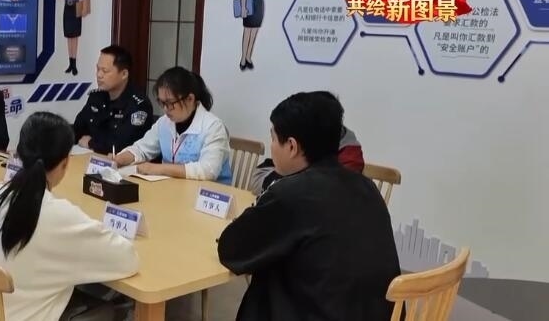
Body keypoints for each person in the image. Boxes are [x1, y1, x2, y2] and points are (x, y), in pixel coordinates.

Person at [217, 91, 400, 320]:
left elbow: (232, 250)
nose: (271, 146)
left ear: (292, 146)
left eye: (273, 138)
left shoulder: (290, 193)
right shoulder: (367, 187)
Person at [0, 112, 139, 321]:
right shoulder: (59, 215)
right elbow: (128, 260)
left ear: (18, 153)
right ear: (65, 163)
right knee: (112, 308)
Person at [114, 67, 233, 183]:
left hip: (207, 192)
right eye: (162, 102)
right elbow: (142, 148)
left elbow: (208, 171)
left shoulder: (213, 127)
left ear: (190, 99)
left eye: (170, 103)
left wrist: (159, 168)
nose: (165, 109)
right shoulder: (164, 123)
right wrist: (122, 157)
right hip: (173, 188)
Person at [248, 90, 364, 196]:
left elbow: (322, 194)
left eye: (273, 138)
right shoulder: (304, 144)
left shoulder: (348, 158)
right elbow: (258, 177)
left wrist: (286, 179)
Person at [74, 45, 153, 155]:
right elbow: (77, 130)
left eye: (105, 71)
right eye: (98, 69)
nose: (99, 75)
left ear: (124, 74)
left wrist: (91, 143)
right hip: (92, 158)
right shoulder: (96, 97)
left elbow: (122, 144)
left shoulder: (139, 105)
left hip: (123, 163)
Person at [44, 0, 89, 76]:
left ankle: (75, 64)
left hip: (76, 6)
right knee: (69, 36)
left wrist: (85, 9)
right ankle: (70, 63)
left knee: (75, 36)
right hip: (67, 7)